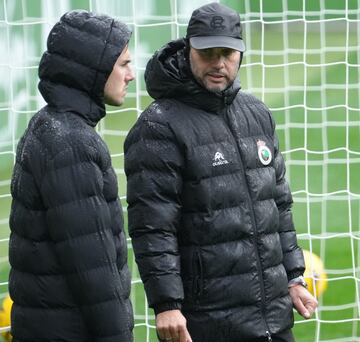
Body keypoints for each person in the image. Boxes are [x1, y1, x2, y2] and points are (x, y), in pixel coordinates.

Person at [125, 2, 318, 342]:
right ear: (188, 52)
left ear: (239, 53)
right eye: (207, 53)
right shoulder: (158, 126)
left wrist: (293, 278)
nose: (218, 63)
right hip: (209, 324)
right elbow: (153, 227)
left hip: (274, 317)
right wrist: (167, 304)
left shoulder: (257, 113)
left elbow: (279, 207)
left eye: (227, 53)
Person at [9, 10, 134, 342]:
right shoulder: (72, 144)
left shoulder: (49, 125)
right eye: (123, 65)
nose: (131, 75)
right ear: (92, 69)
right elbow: (93, 270)